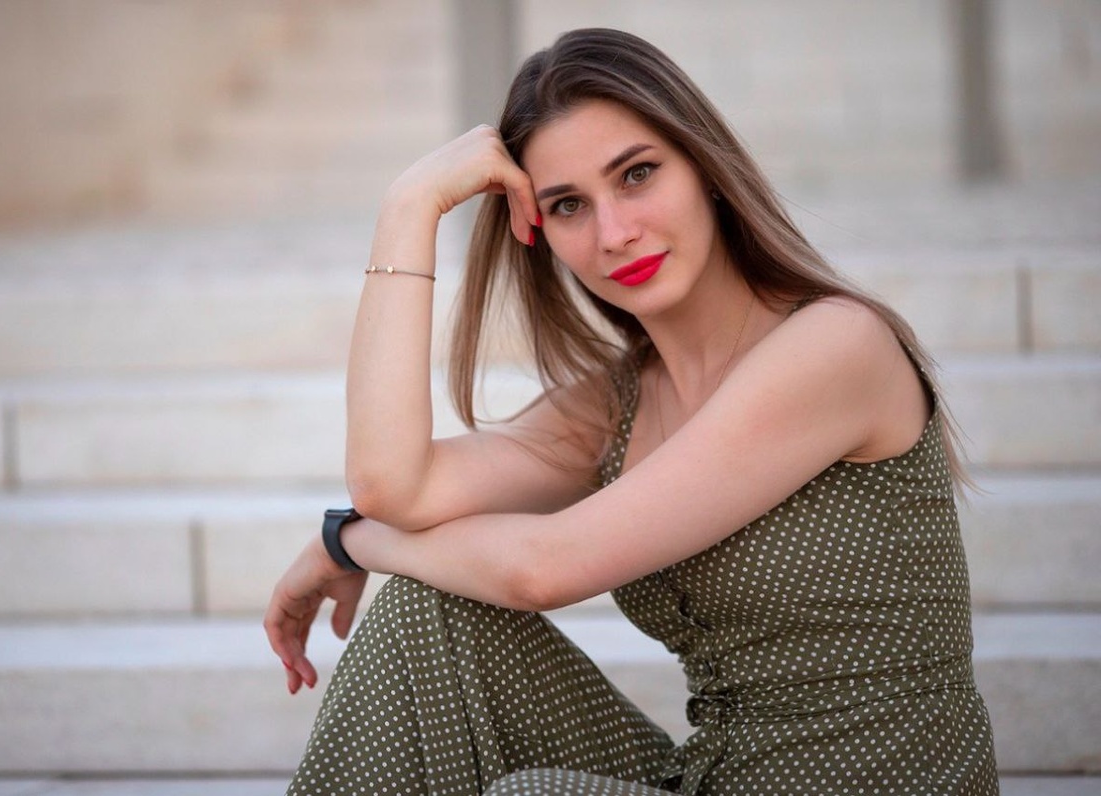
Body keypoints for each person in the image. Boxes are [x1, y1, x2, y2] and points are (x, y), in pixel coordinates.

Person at [264, 27, 999, 796]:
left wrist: (350, 543)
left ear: (705, 167)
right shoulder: (613, 406)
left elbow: (543, 568)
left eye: (638, 174)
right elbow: (392, 486)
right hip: (718, 775)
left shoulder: (838, 346)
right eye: (569, 205)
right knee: (426, 617)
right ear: (540, 232)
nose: (614, 233)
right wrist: (408, 206)